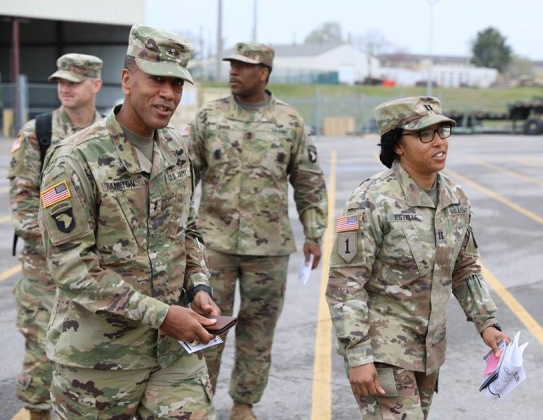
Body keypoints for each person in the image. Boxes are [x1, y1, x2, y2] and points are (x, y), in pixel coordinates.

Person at [37, 24, 220, 419]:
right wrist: (162, 316)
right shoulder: (76, 159)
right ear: (127, 80)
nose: (168, 94)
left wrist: (199, 286)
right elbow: (71, 266)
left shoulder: (175, 148)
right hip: (99, 361)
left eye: (177, 84)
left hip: (172, 353)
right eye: (157, 79)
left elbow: (187, 232)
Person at [325, 96, 510, 419]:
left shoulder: (454, 198)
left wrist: (487, 323)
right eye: (425, 134)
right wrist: (358, 354)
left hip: (429, 351)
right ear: (397, 144)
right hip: (384, 351)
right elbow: (345, 283)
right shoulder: (370, 200)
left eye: (442, 132)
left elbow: (464, 268)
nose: (438, 142)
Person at [188, 42, 328, 420]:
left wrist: (314, 234)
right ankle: (198, 402)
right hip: (213, 243)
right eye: (231, 65)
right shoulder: (209, 118)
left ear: (263, 73)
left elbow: (309, 182)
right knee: (206, 328)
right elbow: (183, 178)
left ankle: (243, 405)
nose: (233, 71)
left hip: (268, 248)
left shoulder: (289, 121)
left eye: (243, 66)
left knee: (258, 332)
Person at [8, 52, 104, 420]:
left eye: (73, 81)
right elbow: (23, 199)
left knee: (92, 353)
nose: (65, 88)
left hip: (95, 268)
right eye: (60, 81)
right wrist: (62, 246)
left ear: (95, 84)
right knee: (40, 350)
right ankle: (37, 414)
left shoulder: (109, 133)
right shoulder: (39, 132)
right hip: (44, 269)